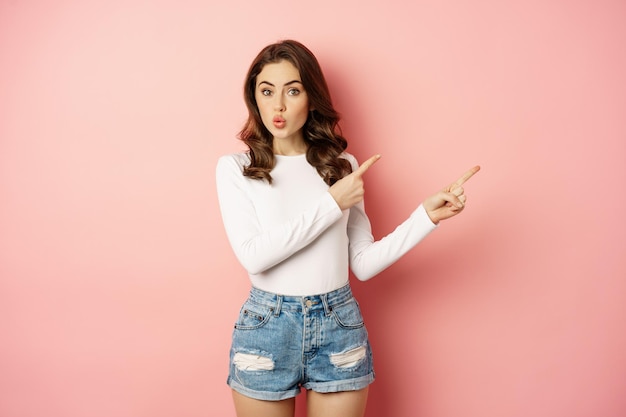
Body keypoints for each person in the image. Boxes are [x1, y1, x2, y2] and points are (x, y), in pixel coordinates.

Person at [215, 39, 480, 417]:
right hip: (267, 327)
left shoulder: (342, 166)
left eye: (293, 90)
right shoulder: (236, 169)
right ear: (254, 98)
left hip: (337, 322)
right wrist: (331, 203)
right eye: (266, 91)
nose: (278, 105)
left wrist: (425, 217)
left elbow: (363, 263)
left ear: (311, 97)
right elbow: (254, 256)